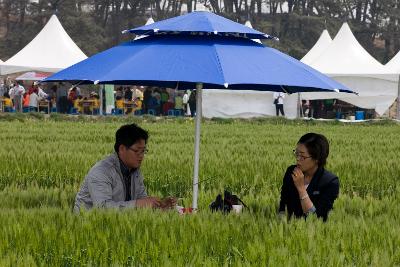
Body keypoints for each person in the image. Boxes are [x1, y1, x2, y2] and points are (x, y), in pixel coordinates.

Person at [74, 123, 176, 211]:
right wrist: (138, 204)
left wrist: (158, 206)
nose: (141, 155)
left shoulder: (135, 171)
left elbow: (141, 200)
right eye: (136, 151)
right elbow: (102, 208)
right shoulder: (101, 171)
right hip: (88, 225)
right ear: (122, 149)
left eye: (143, 151)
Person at [278, 133, 339, 221]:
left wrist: (301, 189)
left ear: (317, 158)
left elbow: (317, 218)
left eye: (302, 156)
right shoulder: (291, 172)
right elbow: (283, 205)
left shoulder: (330, 182)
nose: (297, 159)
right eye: (296, 153)